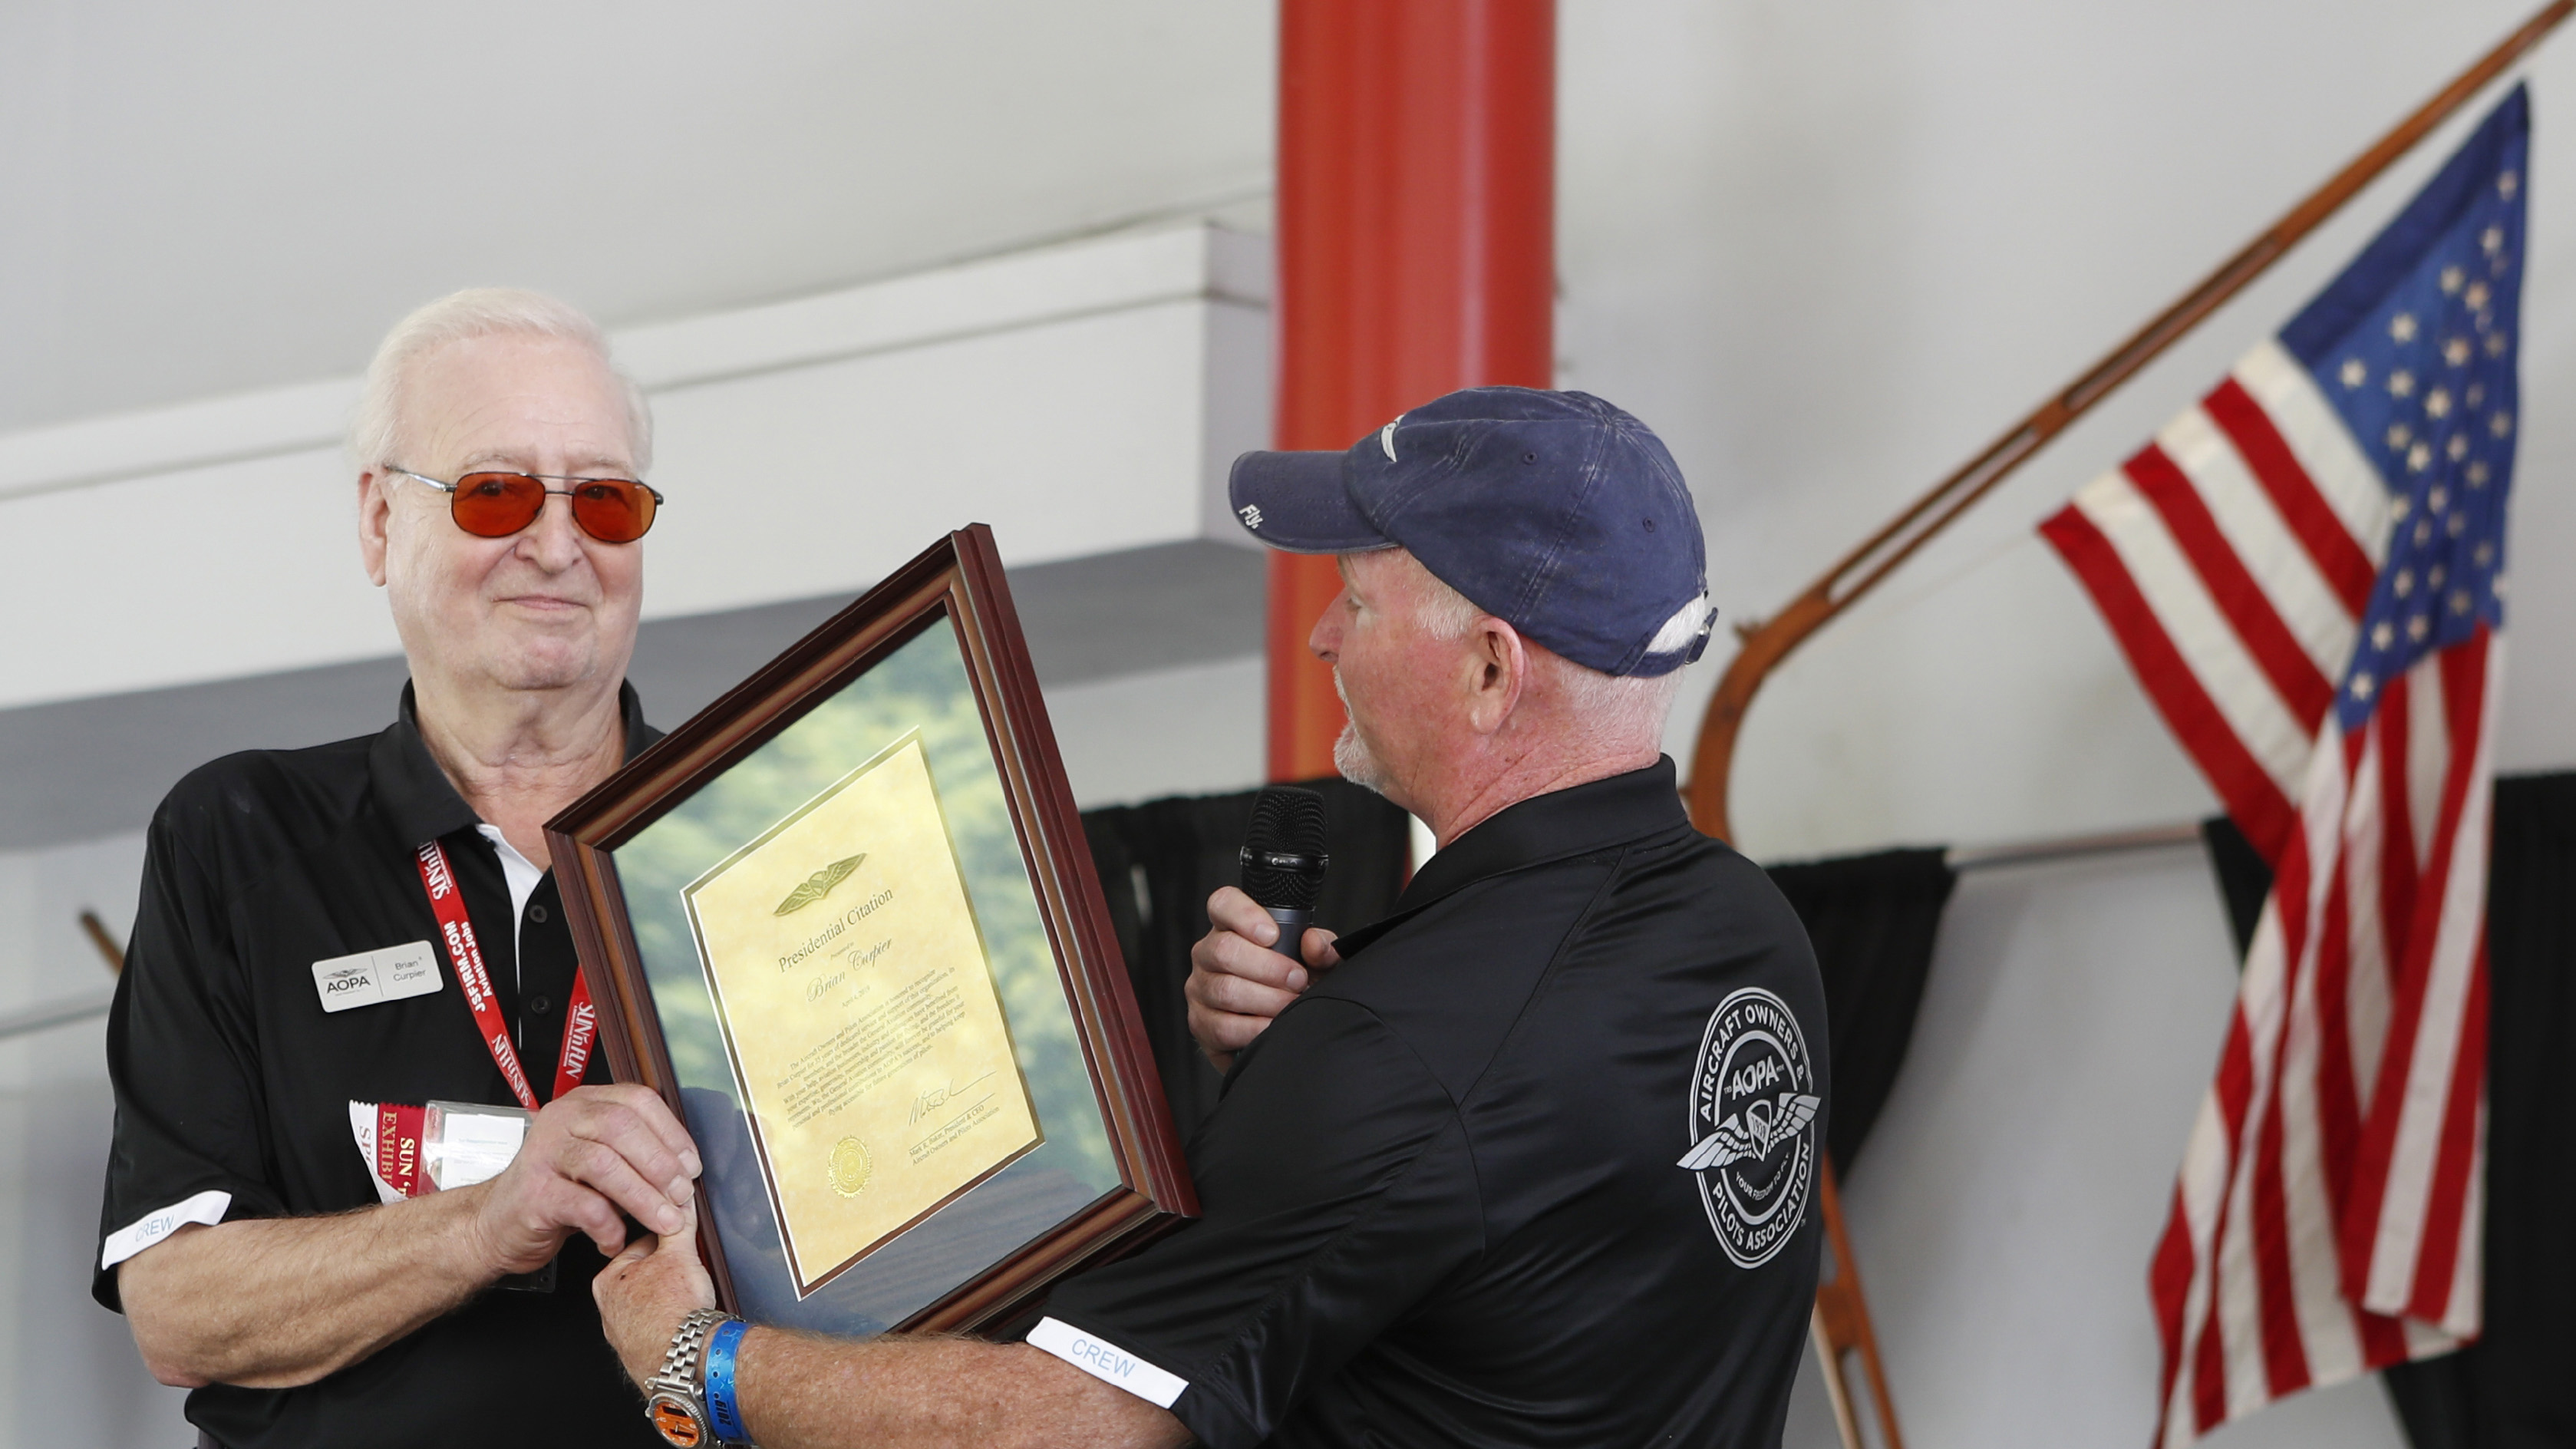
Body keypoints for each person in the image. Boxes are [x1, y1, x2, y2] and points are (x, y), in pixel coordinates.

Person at [594, 385, 1833, 1449]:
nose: (1319, 635)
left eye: (1358, 599)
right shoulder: (1749, 935)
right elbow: (1515, 1220)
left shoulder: (1405, 1052)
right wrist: (1296, 1064)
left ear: (1491, 670)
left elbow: (1081, 1419)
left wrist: (696, 1360)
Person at [98, 289, 704, 1448]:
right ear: (379, 523)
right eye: (495, 491)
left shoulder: (758, 832)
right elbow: (174, 1310)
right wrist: (493, 1218)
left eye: (606, 500)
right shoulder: (240, 835)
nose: (558, 543)